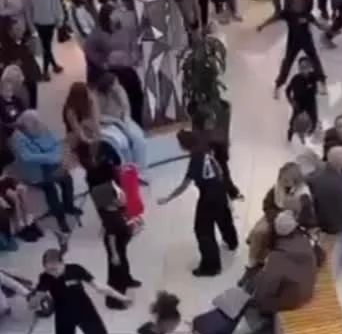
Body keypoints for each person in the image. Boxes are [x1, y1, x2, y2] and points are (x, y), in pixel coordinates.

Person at [32, 248, 128, 334]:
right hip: (63, 313)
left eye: (55, 269)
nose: (53, 273)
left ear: (62, 263)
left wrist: (122, 297)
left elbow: (99, 287)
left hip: (85, 310)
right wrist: (34, 300)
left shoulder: (76, 270)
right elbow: (37, 298)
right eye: (49, 270)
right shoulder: (45, 278)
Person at [158, 128, 238, 277]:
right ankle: (232, 241)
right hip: (219, 189)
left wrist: (167, 198)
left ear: (184, 146)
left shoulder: (196, 159)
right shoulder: (206, 149)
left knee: (203, 230)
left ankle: (211, 266)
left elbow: (184, 185)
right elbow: (219, 170)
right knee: (223, 217)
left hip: (208, 196)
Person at [79, 143, 140, 306]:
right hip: (115, 239)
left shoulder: (109, 188)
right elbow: (111, 234)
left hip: (121, 234)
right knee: (115, 269)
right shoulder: (108, 210)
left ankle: (127, 280)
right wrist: (113, 254)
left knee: (123, 260)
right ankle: (114, 300)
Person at [11, 110, 80, 235]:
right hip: (33, 171)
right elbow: (26, 157)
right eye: (34, 123)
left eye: (37, 122)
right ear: (26, 124)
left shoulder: (40, 127)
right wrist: (50, 157)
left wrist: (57, 155)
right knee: (50, 187)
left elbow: (56, 142)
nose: (38, 124)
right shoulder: (18, 137)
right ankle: (60, 218)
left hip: (49, 165)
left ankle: (69, 206)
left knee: (67, 178)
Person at [246, 162, 316, 270]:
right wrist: (275, 218)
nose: (283, 182)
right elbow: (267, 205)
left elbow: (307, 218)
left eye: (287, 180)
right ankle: (252, 262)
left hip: (293, 223)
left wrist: (290, 220)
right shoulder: (277, 187)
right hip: (273, 216)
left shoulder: (303, 196)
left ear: (296, 181)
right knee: (259, 232)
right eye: (281, 178)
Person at [259, 0, 327, 94]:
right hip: (293, 43)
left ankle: (322, 82)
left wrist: (328, 29)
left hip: (307, 41)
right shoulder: (288, 14)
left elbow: (318, 24)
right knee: (287, 63)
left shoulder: (307, 14)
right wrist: (263, 25)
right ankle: (278, 85)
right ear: (292, 4)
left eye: (300, 2)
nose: (298, 5)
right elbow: (274, 18)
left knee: (315, 60)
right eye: (295, 2)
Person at [93, 72, 147, 171]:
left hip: (123, 119)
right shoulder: (95, 95)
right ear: (108, 86)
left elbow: (126, 108)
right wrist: (115, 121)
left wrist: (125, 120)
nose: (117, 85)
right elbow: (98, 116)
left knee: (139, 140)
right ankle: (129, 171)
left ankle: (141, 170)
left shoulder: (119, 90)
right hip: (108, 124)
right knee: (123, 143)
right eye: (115, 83)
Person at [23, 0, 64, 79]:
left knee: (47, 46)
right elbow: (27, 9)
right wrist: (31, 26)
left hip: (50, 20)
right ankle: (46, 71)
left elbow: (55, 1)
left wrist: (59, 16)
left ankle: (53, 66)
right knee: (46, 47)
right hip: (38, 22)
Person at [1, 21, 40, 108]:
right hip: (21, 78)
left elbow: (34, 53)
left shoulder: (24, 40)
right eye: (16, 29)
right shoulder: (7, 48)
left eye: (19, 28)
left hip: (30, 75)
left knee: (33, 96)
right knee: (26, 101)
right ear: (9, 32)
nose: (19, 30)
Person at [285, 55, 320, 141]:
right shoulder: (296, 79)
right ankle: (291, 135)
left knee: (313, 122)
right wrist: (291, 101)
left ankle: (305, 134)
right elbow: (287, 90)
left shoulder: (313, 78)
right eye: (301, 67)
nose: (302, 69)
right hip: (298, 104)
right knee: (293, 122)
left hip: (310, 105)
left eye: (305, 67)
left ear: (309, 67)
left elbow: (317, 86)